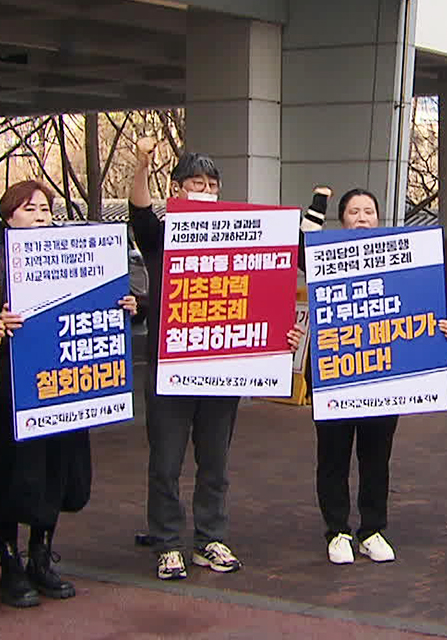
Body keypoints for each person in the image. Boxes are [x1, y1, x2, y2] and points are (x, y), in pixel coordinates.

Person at [130, 137, 305, 581]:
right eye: (195, 183)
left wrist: (278, 334)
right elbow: (139, 214)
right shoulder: (162, 234)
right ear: (177, 188)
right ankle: (168, 542)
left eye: (211, 184)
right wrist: (142, 165)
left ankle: (210, 537)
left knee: (215, 462)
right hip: (171, 370)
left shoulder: (239, 236)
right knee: (165, 463)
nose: (204, 190)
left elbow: (264, 293)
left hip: (223, 371)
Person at [0, 180, 138, 608]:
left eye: (45, 208)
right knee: (7, 481)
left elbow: (105, 302)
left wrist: (127, 306)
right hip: (6, 397)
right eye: (29, 209)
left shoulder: (81, 261)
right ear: (7, 218)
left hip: (60, 397)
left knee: (55, 478)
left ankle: (41, 557)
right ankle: (10, 565)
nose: (41, 215)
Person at [302, 188, 447, 565]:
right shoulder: (325, 256)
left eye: (369, 211)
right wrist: (317, 204)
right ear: (342, 220)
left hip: (386, 378)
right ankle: (337, 530)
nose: (362, 217)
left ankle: (372, 529)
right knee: (333, 458)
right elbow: (298, 248)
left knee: (376, 459)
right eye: (354, 211)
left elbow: (421, 304)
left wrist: (440, 329)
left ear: (379, 218)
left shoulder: (400, 257)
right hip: (336, 375)